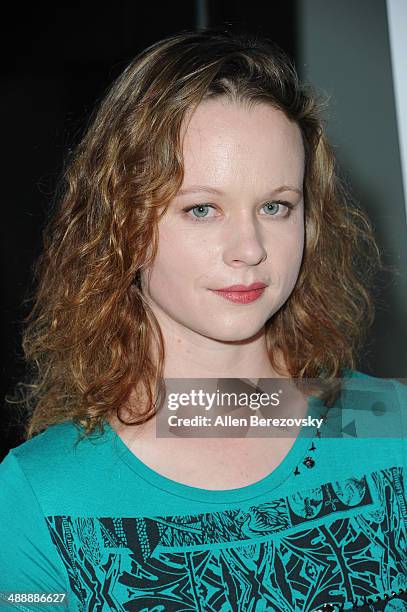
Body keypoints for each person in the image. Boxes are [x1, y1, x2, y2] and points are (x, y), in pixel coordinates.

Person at [0, 27, 406, 612]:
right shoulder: (39, 496)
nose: (250, 247)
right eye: (202, 209)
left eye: (275, 206)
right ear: (122, 226)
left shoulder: (391, 432)